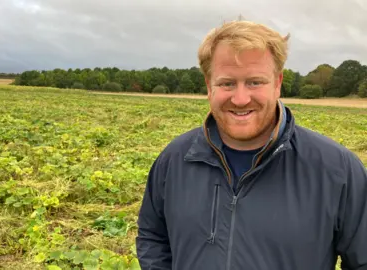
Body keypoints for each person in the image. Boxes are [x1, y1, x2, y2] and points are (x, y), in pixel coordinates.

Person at [136, 19, 367, 270]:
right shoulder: (175, 159)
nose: (241, 98)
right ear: (209, 86)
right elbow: (153, 236)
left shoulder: (337, 169)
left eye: (255, 82)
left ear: (277, 84)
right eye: (227, 83)